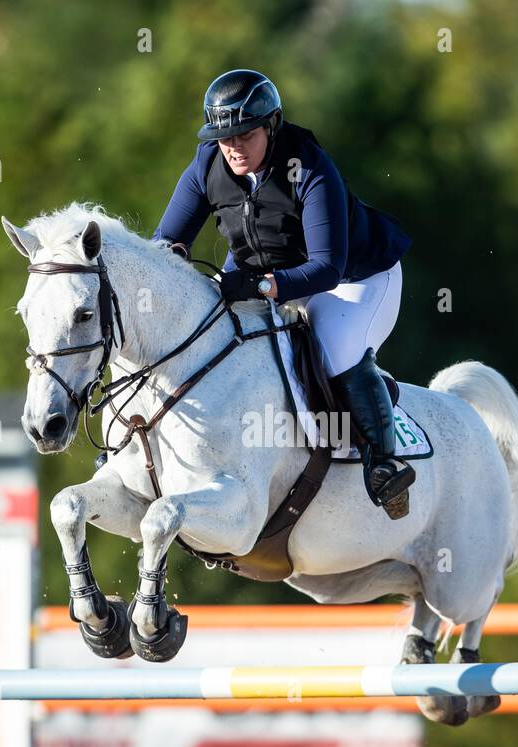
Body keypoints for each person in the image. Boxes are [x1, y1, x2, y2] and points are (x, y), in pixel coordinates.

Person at [151, 69, 416, 519]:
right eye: (223, 137)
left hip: (357, 278)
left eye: (245, 134)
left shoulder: (309, 166)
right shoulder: (207, 166)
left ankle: (384, 463)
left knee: (334, 349)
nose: (233, 146)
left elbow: (326, 267)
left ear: (272, 126)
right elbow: (165, 243)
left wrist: (258, 285)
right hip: (271, 276)